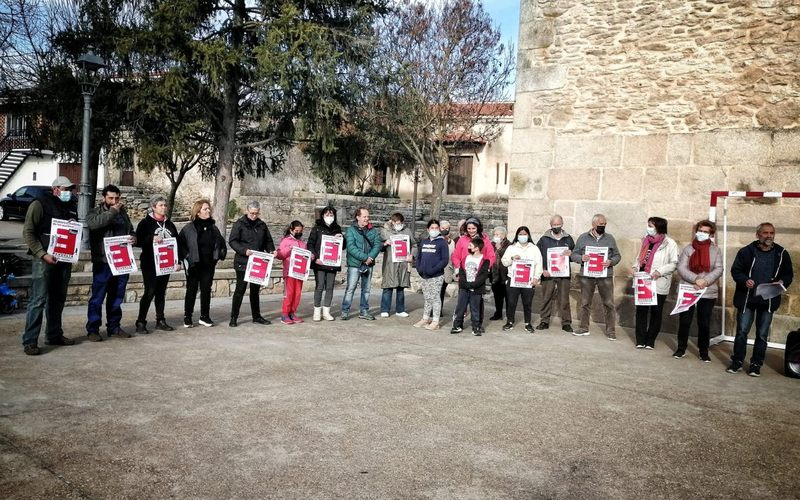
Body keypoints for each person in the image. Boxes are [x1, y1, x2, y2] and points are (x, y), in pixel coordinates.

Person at [20, 176, 78, 355]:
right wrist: (42, 254)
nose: (69, 192)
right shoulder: (39, 204)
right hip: (43, 259)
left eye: (70, 189)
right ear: (56, 189)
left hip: (63, 260)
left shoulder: (71, 206)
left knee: (58, 299)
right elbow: (28, 232)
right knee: (38, 300)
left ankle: (54, 334)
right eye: (65, 189)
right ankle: (30, 341)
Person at [728, 222, 793, 376]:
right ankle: (737, 361)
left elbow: (788, 274)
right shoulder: (746, 252)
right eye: (765, 233)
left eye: (771, 233)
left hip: (768, 299)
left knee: (762, 335)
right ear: (758, 234)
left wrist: (783, 282)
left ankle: (756, 364)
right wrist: (745, 280)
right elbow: (736, 270)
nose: (769, 236)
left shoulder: (782, 253)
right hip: (747, 299)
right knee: (742, 332)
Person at [86, 184, 136, 341]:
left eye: (117, 198)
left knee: (116, 297)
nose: (115, 201)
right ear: (104, 198)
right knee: (97, 298)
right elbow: (94, 224)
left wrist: (134, 237)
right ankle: (93, 329)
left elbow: (130, 229)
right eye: (111, 198)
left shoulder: (123, 213)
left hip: (121, 262)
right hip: (103, 262)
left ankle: (114, 327)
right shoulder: (95, 212)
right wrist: (113, 211)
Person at [673, 220, 723, 361]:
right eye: (700, 231)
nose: (702, 234)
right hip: (689, 288)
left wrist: (705, 281)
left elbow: (719, 268)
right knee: (685, 321)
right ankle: (681, 348)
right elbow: (681, 268)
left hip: (707, 291)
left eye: (706, 232)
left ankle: (703, 352)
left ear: (711, 234)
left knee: (704, 322)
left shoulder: (715, 250)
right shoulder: (688, 248)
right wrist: (696, 279)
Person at [570, 214, 621, 340]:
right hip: (587, 276)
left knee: (609, 303)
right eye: (600, 224)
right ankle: (583, 327)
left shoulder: (610, 238)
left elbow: (617, 256)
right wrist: (581, 258)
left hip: (605, 275)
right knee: (585, 302)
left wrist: (611, 262)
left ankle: (611, 331)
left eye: (604, 224)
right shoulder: (583, 238)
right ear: (593, 225)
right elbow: (574, 255)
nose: (602, 226)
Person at [135, 194, 180, 333]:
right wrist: (151, 238)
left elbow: (177, 243)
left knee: (161, 292)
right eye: (161, 205)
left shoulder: (170, 224)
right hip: (150, 263)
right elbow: (137, 240)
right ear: (153, 207)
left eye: (165, 205)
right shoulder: (145, 223)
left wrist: (177, 261)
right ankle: (141, 321)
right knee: (150, 291)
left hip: (165, 264)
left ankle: (160, 320)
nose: (164, 207)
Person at [178, 200, 226, 328]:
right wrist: (187, 257)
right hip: (194, 265)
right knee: (191, 291)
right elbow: (180, 245)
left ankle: (204, 316)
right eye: (205, 209)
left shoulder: (213, 228)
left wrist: (220, 254)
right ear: (198, 212)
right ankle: (187, 317)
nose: (208, 211)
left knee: (206, 290)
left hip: (208, 265)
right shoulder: (188, 228)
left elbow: (221, 242)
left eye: (209, 209)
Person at [632, 217, 678, 349]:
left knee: (656, 312)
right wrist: (635, 267)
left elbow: (674, 263)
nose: (648, 228)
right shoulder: (646, 240)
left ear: (659, 227)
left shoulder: (670, 243)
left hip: (657, 282)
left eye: (651, 226)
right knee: (641, 311)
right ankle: (640, 339)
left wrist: (659, 271)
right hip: (643, 280)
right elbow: (640, 258)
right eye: (648, 225)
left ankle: (650, 340)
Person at [228, 201, 275, 327]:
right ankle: (234, 317)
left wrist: (271, 250)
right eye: (252, 213)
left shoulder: (262, 225)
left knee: (255, 290)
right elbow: (232, 241)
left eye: (256, 213)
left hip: (258, 262)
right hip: (243, 261)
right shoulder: (239, 224)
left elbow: (268, 241)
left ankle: (257, 316)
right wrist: (244, 251)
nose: (254, 215)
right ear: (247, 211)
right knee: (240, 290)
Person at [450, 217, 496, 325]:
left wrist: (485, 268)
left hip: (478, 274)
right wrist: (458, 267)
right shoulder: (462, 240)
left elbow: (491, 256)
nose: (471, 230)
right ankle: (458, 322)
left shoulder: (485, 240)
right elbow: (455, 256)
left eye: (473, 228)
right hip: (464, 274)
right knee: (462, 300)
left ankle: (477, 324)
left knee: (477, 301)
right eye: (469, 228)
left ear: (478, 228)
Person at [341, 207, 381, 320]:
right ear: (358, 217)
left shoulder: (373, 230)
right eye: (364, 216)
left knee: (366, 289)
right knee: (350, 288)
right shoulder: (351, 231)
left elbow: (377, 245)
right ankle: (345, 311)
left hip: (369, 264)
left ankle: (364, 311)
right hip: (355, 264)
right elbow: (351, 247)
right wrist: (364, 258)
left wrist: (370, 257)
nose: (367, 218)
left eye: (368, 216)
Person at [536, 215, 575, 332]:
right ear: (550, 225)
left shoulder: (568, 239)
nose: (556, 227)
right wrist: (543, 269)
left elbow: (575, 255)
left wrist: (571, 253)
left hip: (564, 274)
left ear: (562, 224)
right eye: (554, 225)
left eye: (558, 224)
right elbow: (538, 255)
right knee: (546, 297)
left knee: (564, 299)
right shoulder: (544, 239)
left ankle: (566, 323)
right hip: (548, 274)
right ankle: (544, 321)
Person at [501, 226, 543, 333]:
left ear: (528, 235)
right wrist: (512, 258)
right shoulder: (512, 248)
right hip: (513, 279)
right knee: (511, 302)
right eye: (520, 234)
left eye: (525, 234)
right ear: (517, 235)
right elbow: (504, 261)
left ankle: (528, 323)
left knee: (527, 302)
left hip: (528, 281)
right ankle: (510, 321)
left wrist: (536, 278)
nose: (522, 236)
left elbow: (539, 264)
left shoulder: (534, 249)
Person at [306, 206, 343, 321]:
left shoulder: (337, 228)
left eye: (331, 215)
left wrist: (342, 238)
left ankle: (326, 311)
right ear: (322, 215)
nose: (329, 217)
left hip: (332, 263)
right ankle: (317, 311)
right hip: (320, 262)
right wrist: (315, 257)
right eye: (327, 214)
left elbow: (343, 246)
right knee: (320, 286)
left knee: (330, 287)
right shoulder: (316, 228)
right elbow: (310, 244)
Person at [414, 219, 450, 330]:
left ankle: (435, 320)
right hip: (424, 275)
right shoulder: (424, 242)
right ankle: (425, 318)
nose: (434, 230)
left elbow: (444, 260)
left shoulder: (442, 242)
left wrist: (433, 270)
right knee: (427, 297)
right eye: (432, 228)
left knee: (435, 298)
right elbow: (419, 257)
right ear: (428, 229)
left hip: (436, 275)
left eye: (436, 228)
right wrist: (419, 269)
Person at [450, 237, 491, 336]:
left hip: (476, 289)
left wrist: (473, 285)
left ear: (477, 248)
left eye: (470, 245)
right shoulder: (466, 258)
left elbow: (483, 275)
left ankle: (476, 327)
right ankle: (457, 325)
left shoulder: (485, 261)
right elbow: (462, 272)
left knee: (475, 308)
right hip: (464, 288)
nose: (468, 247)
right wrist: (465, 284)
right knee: (461, 307)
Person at [379, 213, 416, 318]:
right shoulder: (385, 231)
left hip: (403, 263)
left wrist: (412, 255)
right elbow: (378, 245)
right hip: (389, 263)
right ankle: (385, 309)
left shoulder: (407, 231)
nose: (398, 224)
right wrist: (384, 243)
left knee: (401, 287)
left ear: (403, 222)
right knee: (388, 287)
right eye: (396, 222)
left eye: (400, 223)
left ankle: (400, 309)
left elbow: (414, 244)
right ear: (392, 221)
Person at [275, 221, 307, 324]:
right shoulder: (285, 241)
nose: (298, 233)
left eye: (300, 231)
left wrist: (311, 256)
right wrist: (289, 248)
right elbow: (280, 255)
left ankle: (292, 313)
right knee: (289, 293)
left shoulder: (302, 243)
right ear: (291, 230)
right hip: (289, 271)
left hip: (300, 272)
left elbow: (307, 255)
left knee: (297, 294)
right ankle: (285, 314)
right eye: (296, 231)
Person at [489, 226, 511, 321]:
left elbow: (507, 257)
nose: (496, 236)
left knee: (507, 296)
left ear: (503, 235)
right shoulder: (491, 244)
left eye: (498, 234)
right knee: (497, 296)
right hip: (495, 274)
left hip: (504, 274)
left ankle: (509, 315)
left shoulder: (509, 245)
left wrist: (499, 249)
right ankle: (498, 313)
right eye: (495, 234)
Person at [438, 220, 456, 309]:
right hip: (436, 269)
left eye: (447, 228)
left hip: (446, 269)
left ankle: (439, 310)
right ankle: (433, 310)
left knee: (442, 291)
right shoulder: (435, 239)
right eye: (443, 228)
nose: (445, 230)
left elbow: (452, 255)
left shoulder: (452, 242)